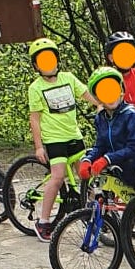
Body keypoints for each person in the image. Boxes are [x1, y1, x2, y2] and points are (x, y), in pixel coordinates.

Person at [80, 66, 135, 260]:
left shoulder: (131, 115)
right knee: (130, 220)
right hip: (123, 174)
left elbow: (134, 147)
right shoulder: (101, 118)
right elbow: (100, 144)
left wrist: (107, 159)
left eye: (113, 89)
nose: (110, 95)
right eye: (103, 91)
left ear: (121, 90)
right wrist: (88, 159)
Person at [25, 38, 86, 242]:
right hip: (54, 139)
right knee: (58, 177)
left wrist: (104, 104)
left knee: (87, 175)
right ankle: (43, 221)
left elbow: (87, 94)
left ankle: (90, 214)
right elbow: (34, 119)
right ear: (36, 65)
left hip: (74, 135)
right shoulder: (35, 87)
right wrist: (39, 146)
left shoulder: (68, 78)